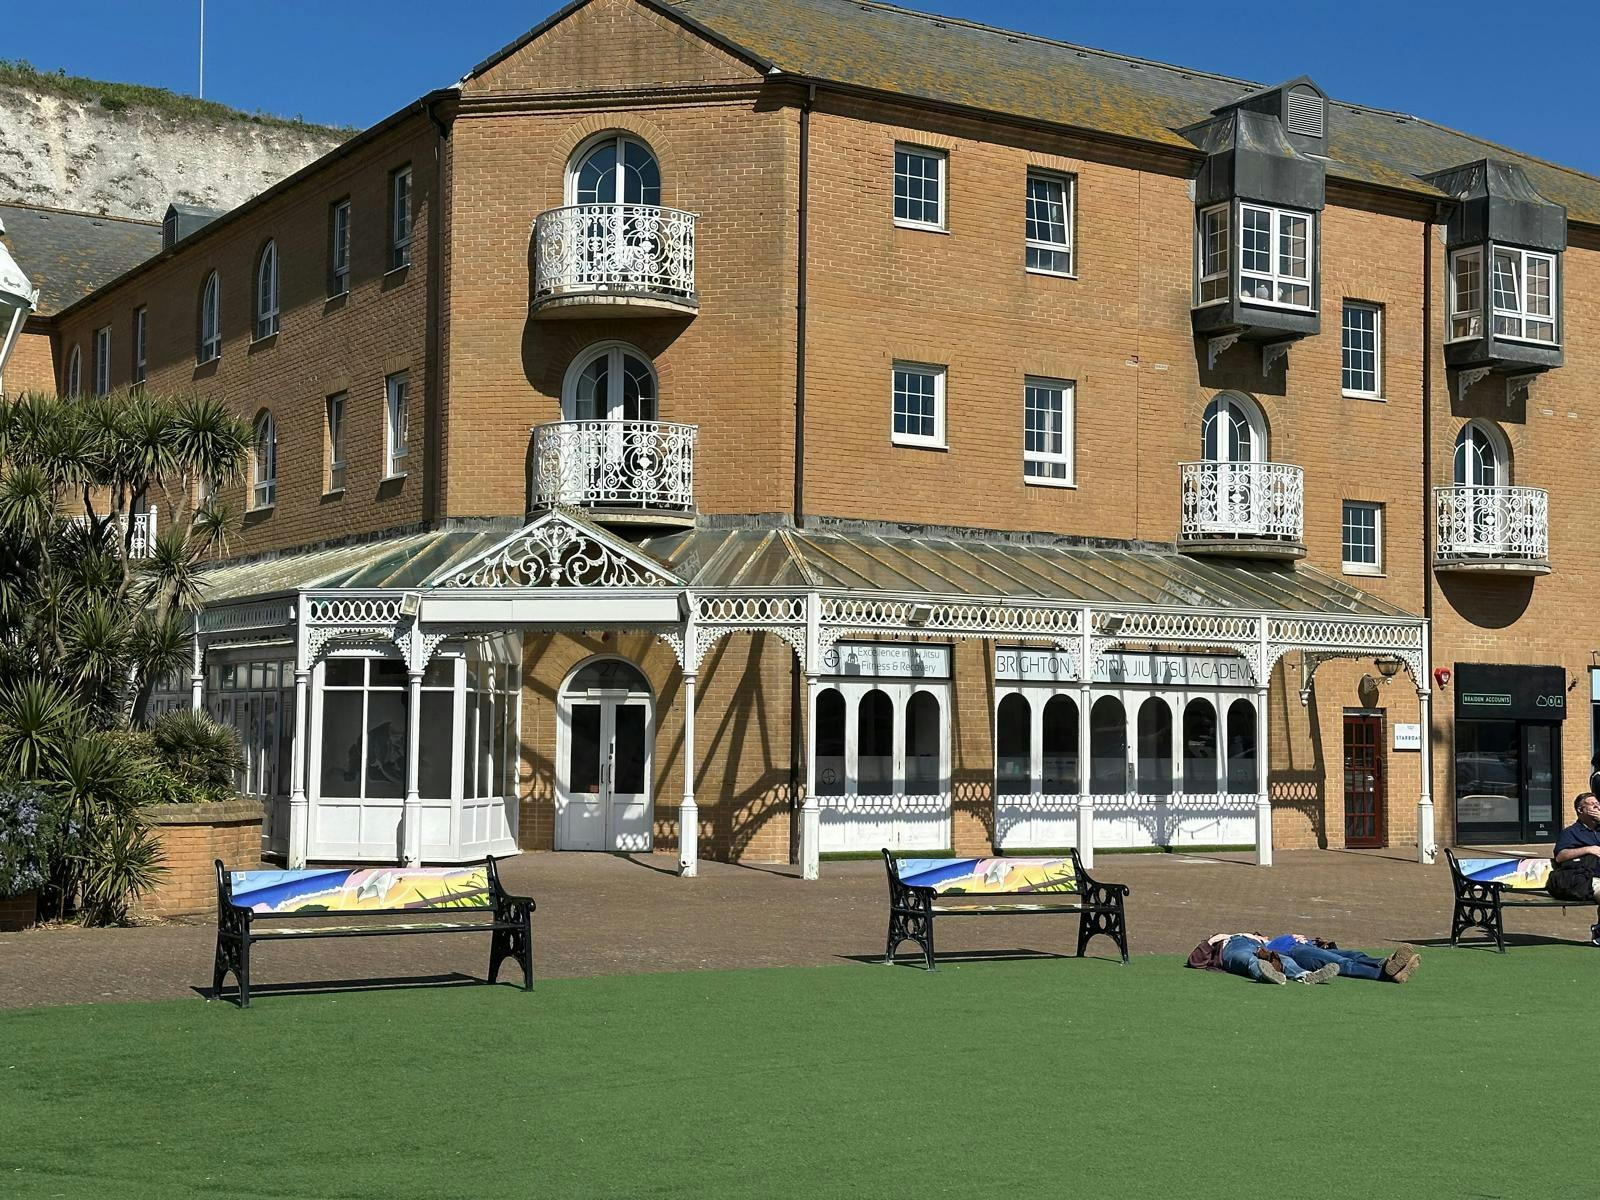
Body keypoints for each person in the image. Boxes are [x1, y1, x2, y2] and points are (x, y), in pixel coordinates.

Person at [1186, 932, 1340, 985]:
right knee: (1249, 960)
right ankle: (1267, 975)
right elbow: (1194, 960)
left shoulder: (1260, 939)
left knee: (1283, 959)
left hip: (1257, 947)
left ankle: (1306, 975)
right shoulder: (1221, 939)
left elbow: (1278, 944)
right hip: (1232, 948)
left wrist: (1294, 937)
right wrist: (1213, 939)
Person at [1550, 791, 1600, 944]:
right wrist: (1587, 849)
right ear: (1580, 810)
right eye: (1592, 804)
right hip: (1588, 877)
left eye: (1598, 804)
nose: (1597, 807)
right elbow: (1560, 856)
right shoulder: (1571, 832)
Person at [1266, 934, 1420, 983]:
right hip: (1296, 952)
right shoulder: (1263, 944)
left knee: (1355, 954)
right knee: (1342, 963)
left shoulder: (1273, 939)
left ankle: (1387, 964)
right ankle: (1386, 973)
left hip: (1308, 947)